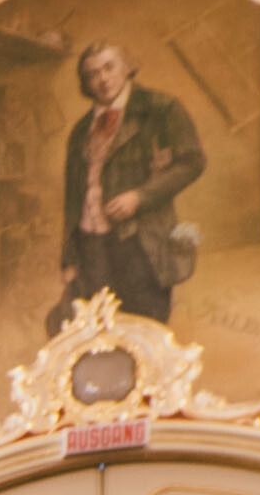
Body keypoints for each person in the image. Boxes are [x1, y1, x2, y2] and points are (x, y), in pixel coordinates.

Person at [51, 26, 204, 327]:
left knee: (144, 326)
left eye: (109, 67)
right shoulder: (81, 130)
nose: (103, 79)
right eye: (93, 74)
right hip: (90, 246)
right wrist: (69, 257)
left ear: (127, 67)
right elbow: (72, 200)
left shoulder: (161, 109)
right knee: (96, 330)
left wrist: (140, 196)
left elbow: (192, 161)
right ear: (86, 83)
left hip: (140, 242)